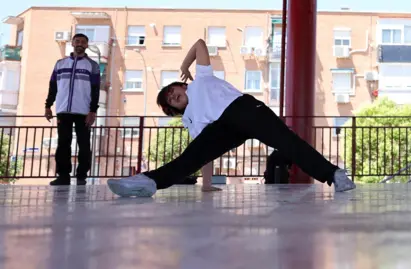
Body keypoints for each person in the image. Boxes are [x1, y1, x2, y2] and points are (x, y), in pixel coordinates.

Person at [107, 38, 356, 197]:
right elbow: (202, 155)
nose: (173, 96)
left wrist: (185, 66)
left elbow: (200, 45)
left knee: (287, 142)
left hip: (242, 109)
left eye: (173, 90)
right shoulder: (190, 119)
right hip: (222, 127)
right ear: (173, 111)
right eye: (169, 100)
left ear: (182, 86)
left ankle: (334, 174)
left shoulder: (200, 80)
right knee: (189, 156)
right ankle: (147, 182)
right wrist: (205, 184)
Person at [45, 33, 101, 186]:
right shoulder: (60, 64)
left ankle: (82, 176)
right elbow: (53, 87)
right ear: (72, 43)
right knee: (63, 143)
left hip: (83, 112)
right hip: (63, 110)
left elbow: (96, 90)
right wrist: (48, 105)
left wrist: (92, 111)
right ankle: (63, 176)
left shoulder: (93, 66)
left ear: (86, 45)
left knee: (84, 144)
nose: (80, 44)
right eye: (77, 41)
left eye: (83, 41)